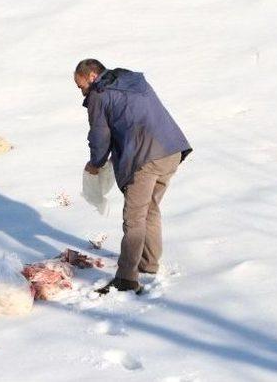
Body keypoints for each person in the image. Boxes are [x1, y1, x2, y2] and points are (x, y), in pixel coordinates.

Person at [74, 59, 192, 295]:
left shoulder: (100, 94)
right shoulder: (130, 81)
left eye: (80, 86)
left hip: (146, 156)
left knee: (134, 217)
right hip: (171, 150)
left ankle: (127, 278)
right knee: (150, 209)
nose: (81, 92)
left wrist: (96, 164)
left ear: (91, 76)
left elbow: (100, 136)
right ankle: (148, 264)